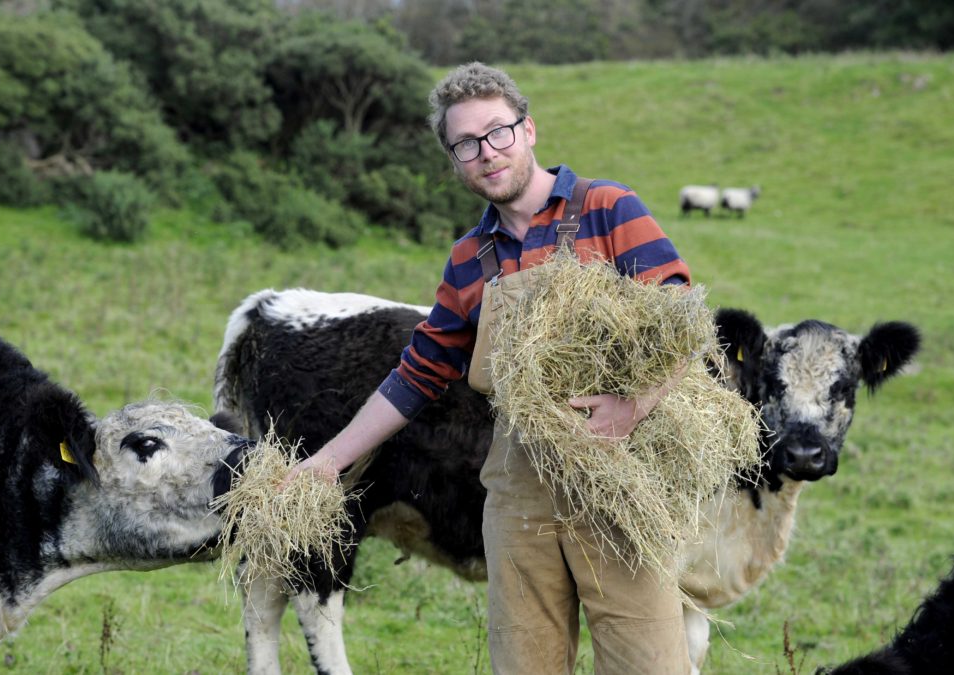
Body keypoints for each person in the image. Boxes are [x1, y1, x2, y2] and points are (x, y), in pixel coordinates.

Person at [286, 62, 692, 674]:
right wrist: (327, 461)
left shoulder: (607, 207)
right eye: (466, 144)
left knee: (649, 664)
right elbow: (416, 375)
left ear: (528, 129)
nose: (487, 153)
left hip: (618, 478)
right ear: (454, 160)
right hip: (518, 487)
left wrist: (633, 406)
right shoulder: (469, 259)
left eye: (498, 132)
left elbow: (683, 318)